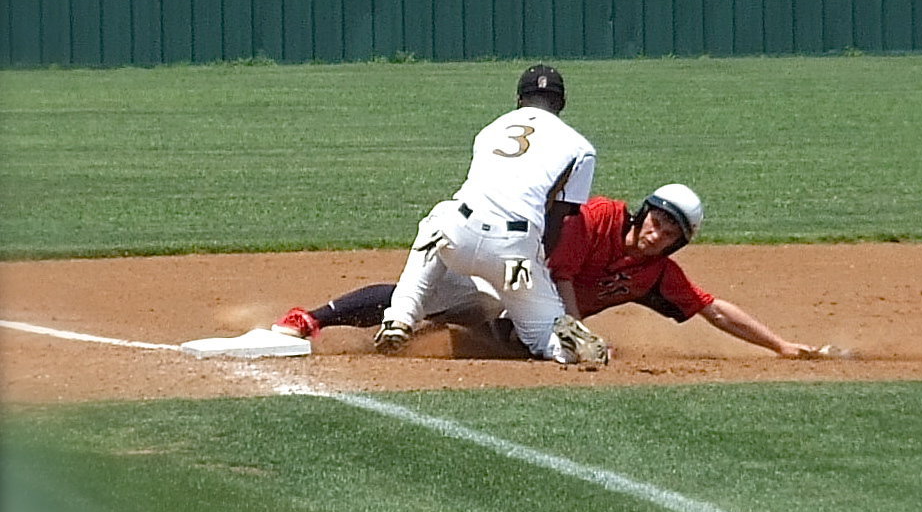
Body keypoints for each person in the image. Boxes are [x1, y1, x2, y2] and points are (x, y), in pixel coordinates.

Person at [272, 183, 824, 360]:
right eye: (658, 218)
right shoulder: (602, 216)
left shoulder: (658, 275)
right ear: (644, 212)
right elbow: (558, 272)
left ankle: (417, 332)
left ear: (680, 241)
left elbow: (712, 308)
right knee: (449, 296)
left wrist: (782, 347)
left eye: (673, 230)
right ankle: (313, 320)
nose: (660, 231)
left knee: (463, 327)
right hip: (513, 278)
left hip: (530, 325)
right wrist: (575, 328)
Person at [368, 64, 607, 366]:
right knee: (540, 331)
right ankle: (564, 347)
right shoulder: (580, 147)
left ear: (520, 99)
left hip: (458, 233)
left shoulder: (490, 130)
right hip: (514, 252)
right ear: (561, 103)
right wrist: (531, 272)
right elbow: (556, 222)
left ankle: (400, 318)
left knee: (437, 222)